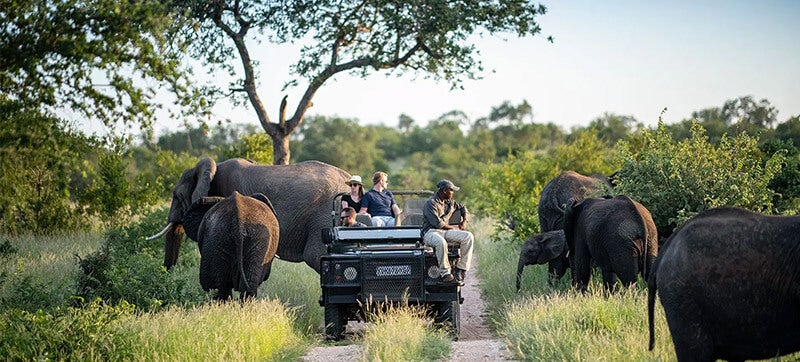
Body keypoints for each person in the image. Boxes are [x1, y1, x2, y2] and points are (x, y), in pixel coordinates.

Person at [421, 179, 474, 284]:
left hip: (444, 232)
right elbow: (438, 223)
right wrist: (453, 228)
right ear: (445, 191)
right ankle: (445, 273)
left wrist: (464, 221)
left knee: (468, 236)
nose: (453, 193)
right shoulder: (430, 203)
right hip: (431, 232)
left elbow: (463, 208)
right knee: (441, 242)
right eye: (451, 190)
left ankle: (461, 270)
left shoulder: (450, 203)